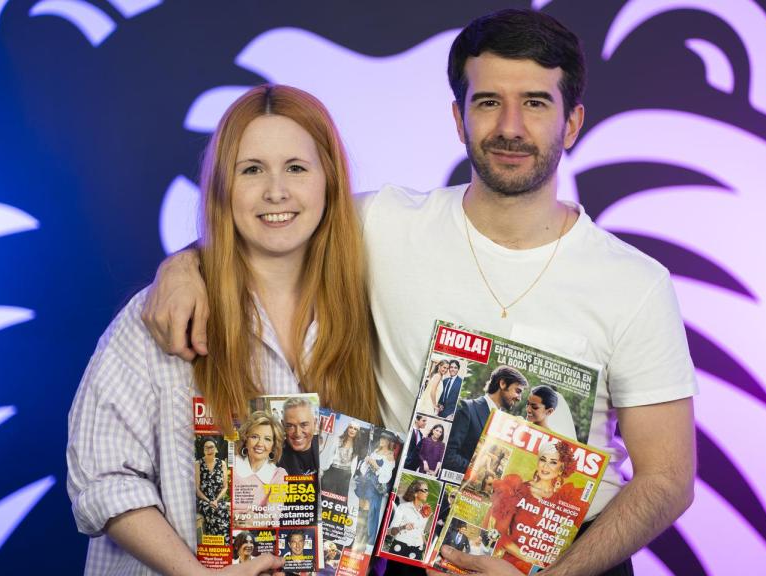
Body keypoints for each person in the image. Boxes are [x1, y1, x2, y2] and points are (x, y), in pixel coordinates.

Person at [143, 9, 697, 576]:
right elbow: (273, 221)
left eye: (534, 102)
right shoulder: (384, 223)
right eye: (487, 102)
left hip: (572, 561)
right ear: (459, 119)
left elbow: (668, 479)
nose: (510, 126)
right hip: (412, 552)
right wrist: (184, 265)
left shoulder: (635, 282)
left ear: (572, 123)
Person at [67, 84, 380, 576]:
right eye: (251, 170)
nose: (276, 191)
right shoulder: (161, 316)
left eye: (296, 168)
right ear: (221, 188)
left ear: (330, 182)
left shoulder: (368, 314)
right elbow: (103, 479)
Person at [485, 441, 584, 574]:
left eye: (553, 462)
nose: (545, 466)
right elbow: (499, 533)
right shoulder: (517, 490)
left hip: (545, 568)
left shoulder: (565, 498)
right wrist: (526, 557)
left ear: (561, 468)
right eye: (543, 460)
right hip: (513, 563)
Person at [443, 365, 526, 474]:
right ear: (502, 384)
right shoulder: (467, 409)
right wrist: (477, 471)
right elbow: (448, 456)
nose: (519, 398)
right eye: (518, 391)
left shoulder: (505, 423)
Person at [233, 411, 288, 526]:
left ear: (273, 445)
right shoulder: (231, 465)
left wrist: (254, 521)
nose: (260, 444)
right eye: (254, 437)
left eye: (267, 439)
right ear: (245, 440)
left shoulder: (279, 475)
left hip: (257, 531)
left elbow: (273, 514)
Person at [355, 434, 398, 549]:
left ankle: (365, 540)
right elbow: (364, 469)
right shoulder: (376, 450)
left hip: (374, 487)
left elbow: (386, 477)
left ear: (390, 441)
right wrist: (366, 461)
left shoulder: (390, 456)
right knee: (361, 507)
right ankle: (357, 536)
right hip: (365, 483)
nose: (382, 440)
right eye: (381, 438)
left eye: (385, 439)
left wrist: (375, 465)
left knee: (370, 512)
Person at [385, 480, 432, 560]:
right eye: (425, 490)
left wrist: (427, 545)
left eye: (427, 490)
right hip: (400, 547)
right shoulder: (403, 507)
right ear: (415, 493)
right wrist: (403, 527)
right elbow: (389, 531)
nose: (427, 493)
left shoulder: (427, 511)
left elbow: (421, 531)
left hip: (417, 550)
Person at [195, 439, 231, 541]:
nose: (209, 450)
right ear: (203, 450)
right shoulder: (198, 464)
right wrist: (209, 501)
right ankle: (223, 540)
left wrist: (216, 500)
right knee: (212, 510)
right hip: (204, 500)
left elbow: (225, 487)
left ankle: (223, 540)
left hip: (218, 499)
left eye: (211, 447)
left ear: (216, 449)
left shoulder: (222, 464)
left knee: (223, 510)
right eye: (206, 448)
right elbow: (197, 489)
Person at [280, 396, 319, 475]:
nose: (297, 433)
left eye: (304, 424)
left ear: (314, 424)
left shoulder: (324, 446)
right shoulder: (275, 456)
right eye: (290, 426)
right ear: (283, 426)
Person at [321, 421, 360, 499]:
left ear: (357, 432)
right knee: (325, 496)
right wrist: (324, 469)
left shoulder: (357, 445)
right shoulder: (338, 440)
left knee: (340, 499)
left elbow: (354, 462)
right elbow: (330, 454)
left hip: (345, 474)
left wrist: (350, 476)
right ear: (347, 428)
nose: (352, 430)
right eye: (351, 427)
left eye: (355, 429)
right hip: (333, 470)